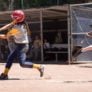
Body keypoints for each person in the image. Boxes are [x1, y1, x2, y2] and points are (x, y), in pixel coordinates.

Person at [0, 10, 44, 80]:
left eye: (14, 18)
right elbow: (9, 25)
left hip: (23, 46)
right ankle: (5, 74)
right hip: (19, 45)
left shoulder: (18, 28)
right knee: (10, 58)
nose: (13, 19)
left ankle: (39, 67)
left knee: (22, 64)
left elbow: (6, 36)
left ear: (18, 19)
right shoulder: (19, 23)